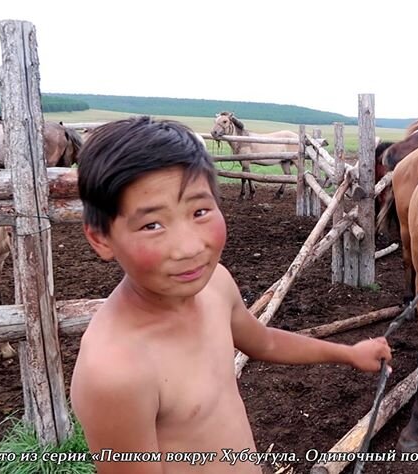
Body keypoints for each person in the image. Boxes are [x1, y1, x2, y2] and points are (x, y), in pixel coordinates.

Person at [70, 116, 392, 473]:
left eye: (200, 211)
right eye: (152, 225)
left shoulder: (215, 285)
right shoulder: (114, 373)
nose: (189, 247)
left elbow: (265, 342)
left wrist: (349, 354)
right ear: (100, 238)